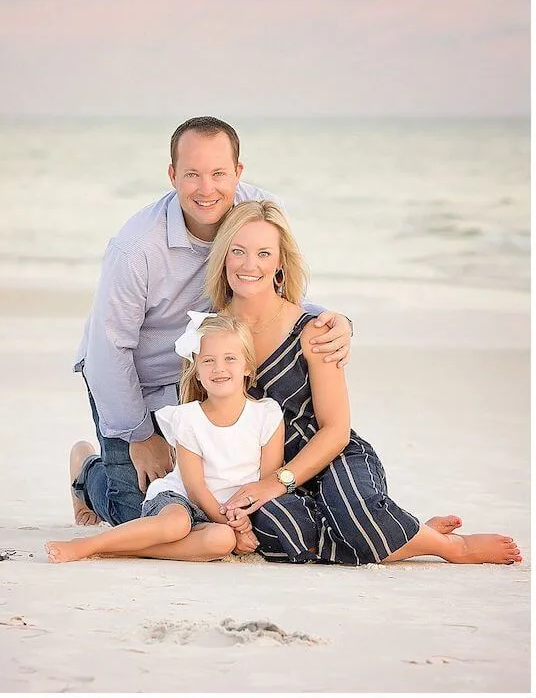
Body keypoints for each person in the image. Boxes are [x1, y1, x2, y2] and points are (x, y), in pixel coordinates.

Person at [70, 116, 353, 529]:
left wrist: (337, 321)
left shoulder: (258, 211)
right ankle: (86, 471)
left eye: (219, 173)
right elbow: (107, 351)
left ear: (238, 172)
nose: (207, 189)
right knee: (140, 512)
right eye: (192, 175)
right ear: (172, 176)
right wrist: (141, 436)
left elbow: (279, 287)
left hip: (216, 375)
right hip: (138, 385)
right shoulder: (135, 250)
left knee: (230, 505)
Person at [204, 200, 522, 566]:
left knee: (357, 518)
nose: (249, 265)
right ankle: (405, 533)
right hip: (258, 470)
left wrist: (278, 481)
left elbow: (336, 429)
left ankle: (449, 547)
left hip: (329, 456)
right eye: (238, 251)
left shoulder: (314, 330)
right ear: (223, 257)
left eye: (263, 253)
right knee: (279, 533)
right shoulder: (209, 333)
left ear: (280, 264)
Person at [45, 314, 283, 563]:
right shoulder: (189, 418)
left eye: (230, 359)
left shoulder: (266, 415)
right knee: (176, 525)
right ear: (197, 372)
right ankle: (89, 545)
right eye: (208, 361)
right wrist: (236, 526)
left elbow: (266, 483)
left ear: (247, 367)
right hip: (182, 501)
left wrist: (237, 525)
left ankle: (119, 549)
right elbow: (196, 489)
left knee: (221, 541)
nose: (219, 368)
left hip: (229, 517)